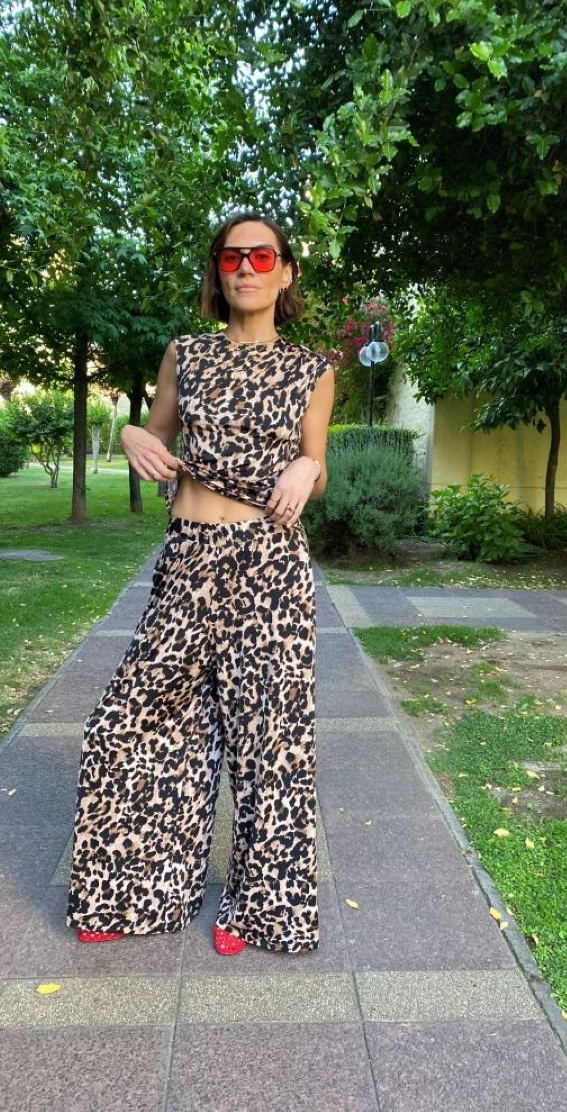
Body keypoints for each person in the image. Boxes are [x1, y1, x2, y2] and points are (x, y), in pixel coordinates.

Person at [66, 210, 335, 956]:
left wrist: (309, 467)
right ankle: (131, 890)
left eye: (262, 256)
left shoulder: (313, 370)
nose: (246, 267)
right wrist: (131, 433)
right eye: (231, 256)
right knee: (132, 719)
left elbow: (316, 467)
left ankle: (260, 910)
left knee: (271, 740)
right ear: (218, 270)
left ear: (286, 273)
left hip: (269, 567)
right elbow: (155, 435)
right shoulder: (185, 354)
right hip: (188, 558)